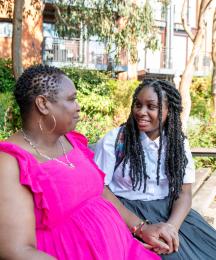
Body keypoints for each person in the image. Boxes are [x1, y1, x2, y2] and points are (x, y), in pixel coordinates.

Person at [0, 65, 163, 260]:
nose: (78, 106)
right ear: (43, 104)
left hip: (127, 250)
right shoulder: (10, 162)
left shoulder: (70, 141)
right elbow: (16, 251)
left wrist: (141, 228)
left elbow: (100, 191)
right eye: (71, 99)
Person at [94, 79, 216, 259]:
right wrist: (140, 227)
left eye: (151, 106)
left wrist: (172, 229)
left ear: (168, 111)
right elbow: (99, 188)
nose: (141, 112)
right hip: (123, 213)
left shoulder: (177, 145)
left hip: (169, 213)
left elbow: (184, 193)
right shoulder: (115, 140)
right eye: (138, 105)